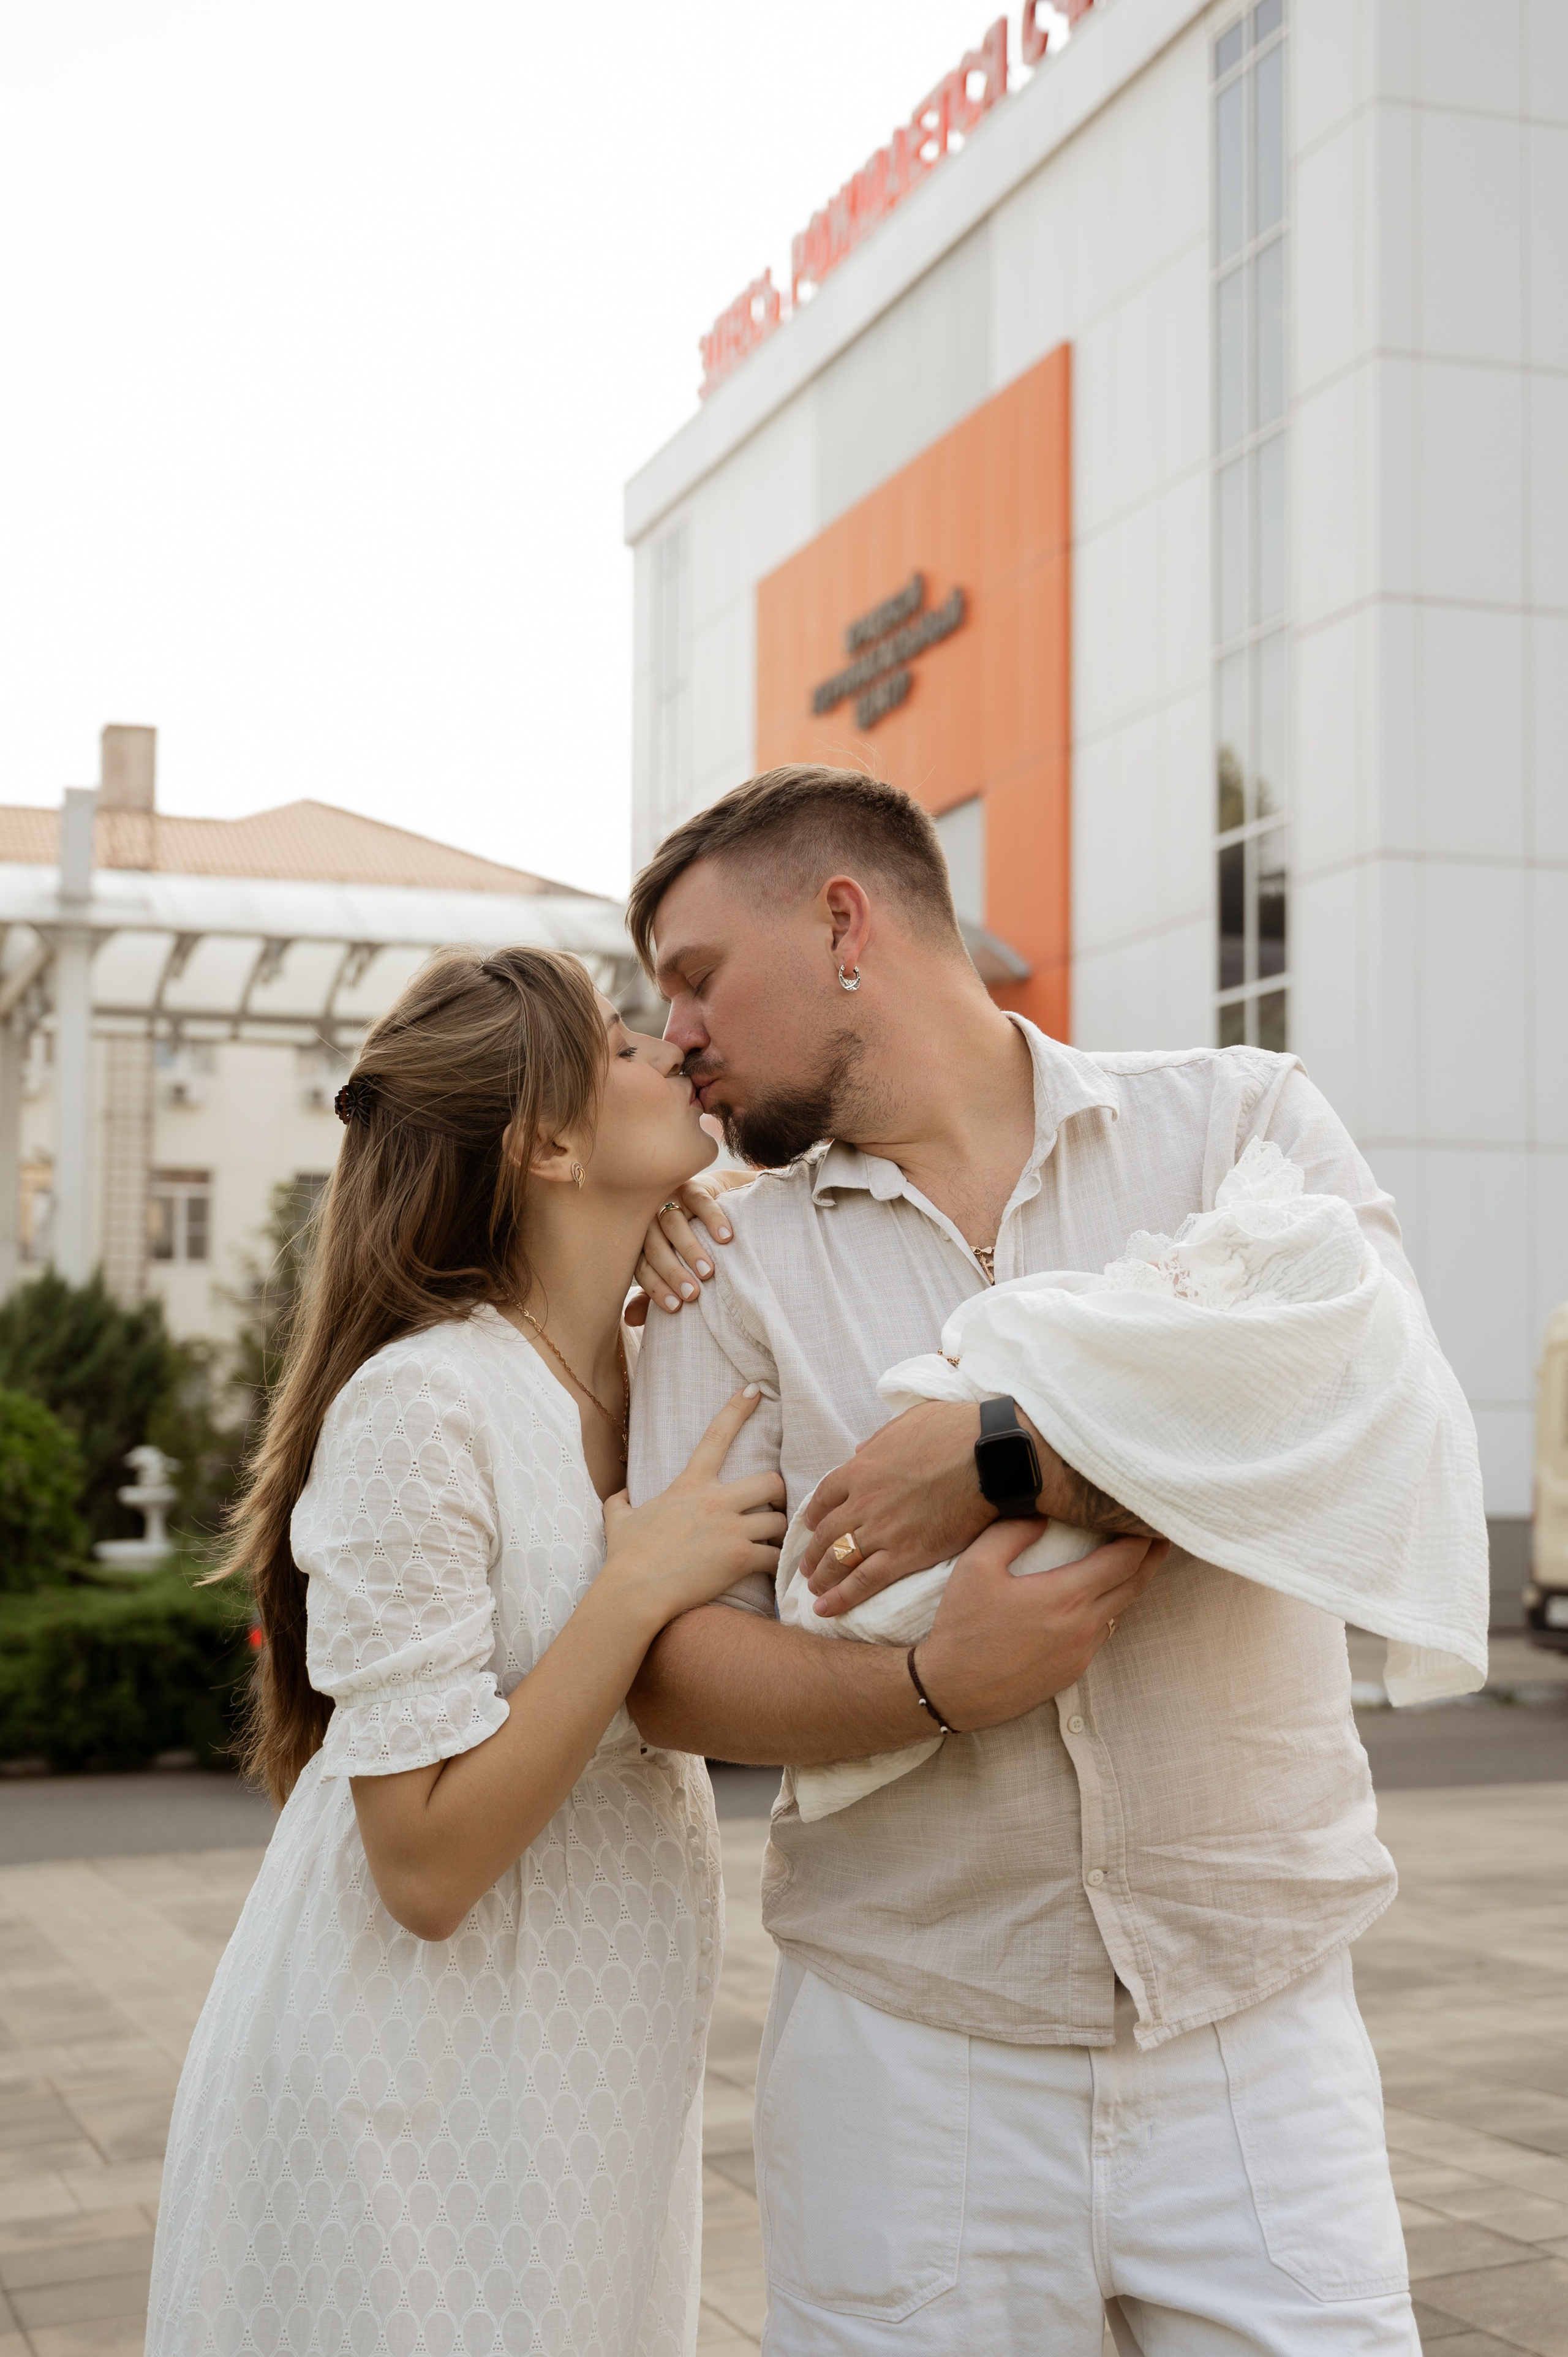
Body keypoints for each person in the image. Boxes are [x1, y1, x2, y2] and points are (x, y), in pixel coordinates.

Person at [623, 765, 1468, 2355]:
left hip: (1257, 2040)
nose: (675, 1033)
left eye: (693, 976)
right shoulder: (723, 1253)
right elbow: (673, 1662)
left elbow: (1373, 1416)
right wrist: (938, 1685)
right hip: (907, 2066)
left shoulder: (1242, 1122)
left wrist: (1011, 1453)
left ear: (844, 920)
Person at [144, 946, 788, 2357]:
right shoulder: (420, 1406)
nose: (671, 1051)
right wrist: (627, 1598)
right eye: (620, 1044)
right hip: (409, 2093)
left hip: (584, 2067)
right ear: (545, 1141)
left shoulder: (658, 1350)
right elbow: (421, 1867)